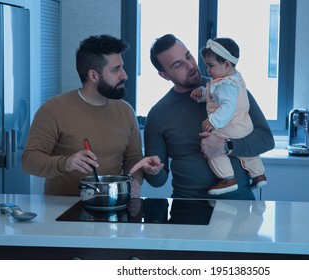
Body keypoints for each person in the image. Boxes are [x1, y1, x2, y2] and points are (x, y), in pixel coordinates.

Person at [22, 34, 163, 197]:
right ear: (93, 76)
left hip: (114, 207)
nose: (124, 75)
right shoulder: (53, 109)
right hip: (62, 210)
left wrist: (135, 182)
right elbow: (29, 161)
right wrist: (66, 163)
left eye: (121, 67)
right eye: (116, 69)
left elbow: (133, 160)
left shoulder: (126, 111)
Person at [144, 34, 274, 200]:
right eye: (178, 65)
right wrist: (153, 171)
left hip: (240, 201)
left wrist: (226, 146)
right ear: (164, 75)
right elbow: (158, 181)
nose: (190, 65)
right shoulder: (157, 115)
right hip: (188, 208)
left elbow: (266, 139)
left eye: (188, 56)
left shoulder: (229, 88)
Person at [190, 37, 267, 195]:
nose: (207, 71)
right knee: (247, 154)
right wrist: (202, 93)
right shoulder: (232, 80)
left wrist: (213, 121)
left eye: (211, 66)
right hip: (244, 126)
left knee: (211, 143)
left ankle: (227, 178)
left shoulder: (226, 86)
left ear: (226, 64)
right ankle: (258, 175)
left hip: (231, 126)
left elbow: (227, 106)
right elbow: (215, 96)